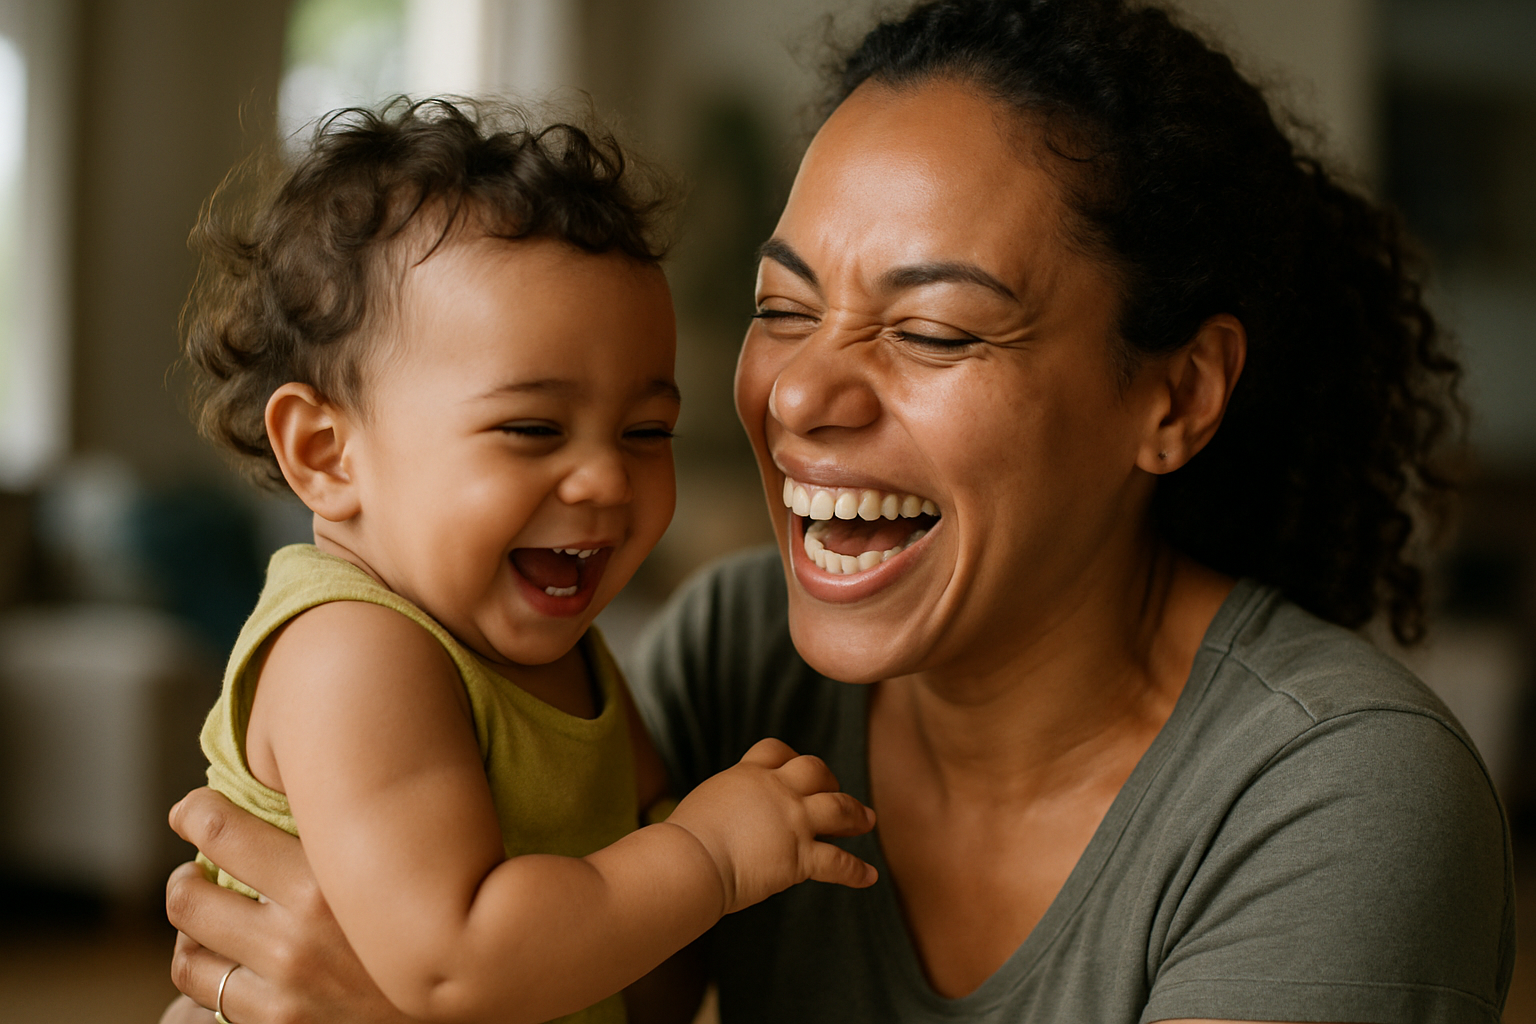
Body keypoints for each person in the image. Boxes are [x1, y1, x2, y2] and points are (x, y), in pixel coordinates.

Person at [163, 2, 1515, 1022]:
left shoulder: (1338, 804)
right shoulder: (742, 652)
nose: (801, 391)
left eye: (929, 329)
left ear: (1176, 394)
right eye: (782, 311)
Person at [161, 99, 877, 1024]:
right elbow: (457, 964)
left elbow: (642, 971)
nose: (606, 480)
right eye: (532, 428)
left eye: (645, 431)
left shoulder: (569, 656)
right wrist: (710, 856)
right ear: (325, 453)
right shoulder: (353, 654)